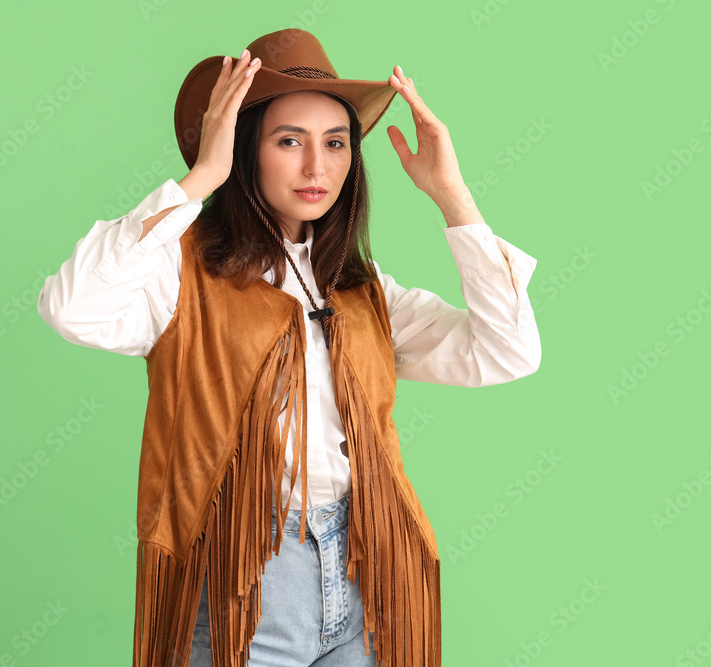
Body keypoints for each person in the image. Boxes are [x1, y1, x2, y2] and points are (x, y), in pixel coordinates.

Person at [37, 29, 540, 667]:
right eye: (289, 141)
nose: (317, 167)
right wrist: (200, 180)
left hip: (368, 567)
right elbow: (71, 307)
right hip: (243, 583)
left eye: (335, 144)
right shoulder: (180, 273)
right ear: (245, 148)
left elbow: (507, 351)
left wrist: (452, 197)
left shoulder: (359, 287)